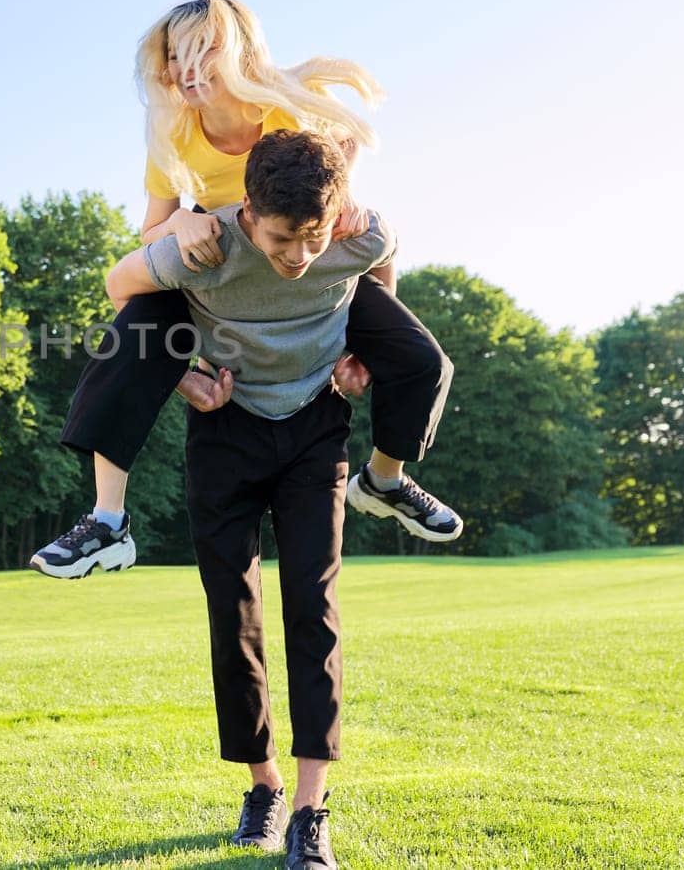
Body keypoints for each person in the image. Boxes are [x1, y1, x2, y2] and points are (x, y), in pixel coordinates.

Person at [33, 0, 459, 578]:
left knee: (422, 360)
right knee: (131, 335)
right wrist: (183, 223)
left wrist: (348, 193)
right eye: (174, 56)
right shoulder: (174, 134)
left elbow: (342, 167)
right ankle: (107, 521)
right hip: (226, 272)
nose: (187, 67)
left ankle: (384, 480)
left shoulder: (286, 110)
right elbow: (150, 231)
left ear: (241, 53)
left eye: (203, 50)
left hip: (304, 263)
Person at [104, 129, 414, 867]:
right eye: (282, 239)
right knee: (232, 615)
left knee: (314, 608)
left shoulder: (350, 230)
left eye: (312, 238)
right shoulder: (204, 246)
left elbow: (384, 258)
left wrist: (363, 345)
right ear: (248, 207)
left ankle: (311, 810)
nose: (299, 257)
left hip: (314, 430)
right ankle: (264, 787)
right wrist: (180, 376)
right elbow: (123, 292)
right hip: (226, 430)